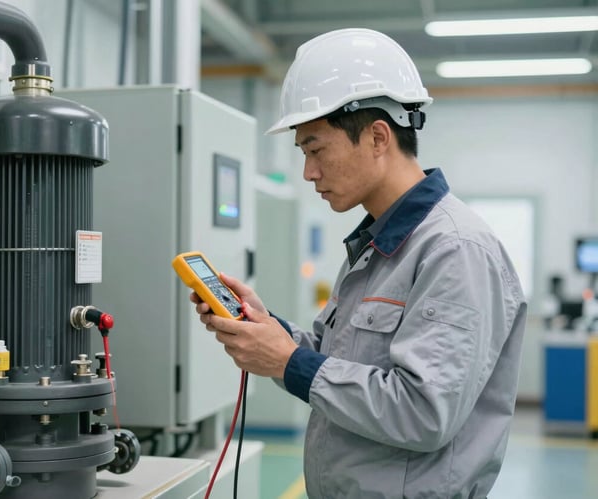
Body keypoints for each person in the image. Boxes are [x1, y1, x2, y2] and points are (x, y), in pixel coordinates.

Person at [190, 28, 526, 498]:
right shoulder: (378, 245)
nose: (308, 172)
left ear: (377, 137)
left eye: (315, 149)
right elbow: (341, 363)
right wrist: (271, 331)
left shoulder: (455, 250)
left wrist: (288, 362)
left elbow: (423, 412)